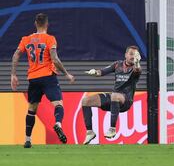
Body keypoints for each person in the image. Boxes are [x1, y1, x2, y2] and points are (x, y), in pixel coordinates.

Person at [11, 13, 75, 148]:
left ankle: (28, 139)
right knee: (58, 104)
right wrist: (66, 74)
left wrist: (13, 74)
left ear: (35, 23)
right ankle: (58, 124)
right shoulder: (49, 39)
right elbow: (55, 59)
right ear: (47, 24)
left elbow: (16, 54)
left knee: (32, 109)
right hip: (48, 77)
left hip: (33, 79)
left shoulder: (26, 39)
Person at [82, 46, 142, 144]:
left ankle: (112, 129)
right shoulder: (117, 64)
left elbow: (137, 70)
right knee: (85, 101)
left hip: (126, 101)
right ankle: (90, 132)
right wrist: (94, 72)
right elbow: (102, 72)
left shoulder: (136, 68)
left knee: (115, 95)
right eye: (131, 54)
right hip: (114, 98)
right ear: (126, 55)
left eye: (135, 55)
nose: (132, 56)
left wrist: (137, 62)